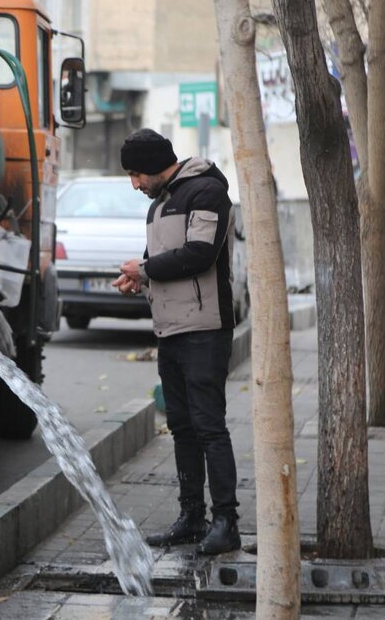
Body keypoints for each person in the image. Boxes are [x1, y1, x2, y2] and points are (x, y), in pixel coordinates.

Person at [112, 128, 241, 555]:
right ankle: (191, 517)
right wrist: (139, 278)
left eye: (136, 174)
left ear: (153, 165)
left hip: (205, 330)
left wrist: (145, 269)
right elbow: (163, 261)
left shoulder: (207, 191)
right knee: (182, 428)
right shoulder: (158, 205)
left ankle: (226, 522)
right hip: (169, 330)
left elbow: (200, 254)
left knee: (209, 427)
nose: (135, 184)